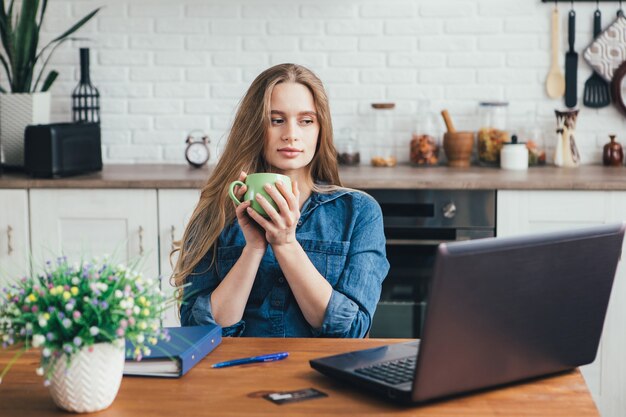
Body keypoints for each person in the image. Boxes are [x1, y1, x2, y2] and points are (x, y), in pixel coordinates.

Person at [172, 63, 389, 337]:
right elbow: (198, 330)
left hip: (321, 373)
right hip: (234, 376)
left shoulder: (359, 212)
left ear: (321, 130)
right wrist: (253, 248)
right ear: (254, 127)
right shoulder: (216, 211)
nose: (291, 134)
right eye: (276, 120)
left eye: (306, 121)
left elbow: (351, 330)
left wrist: (285, 243)